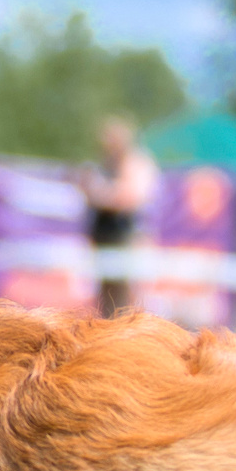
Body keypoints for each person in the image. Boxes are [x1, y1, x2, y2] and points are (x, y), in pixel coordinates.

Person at [79, 116, 159, 320]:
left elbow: (130, 197)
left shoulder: (137, 163)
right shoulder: (106, 164)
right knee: (107, 300)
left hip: (127, 238)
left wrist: (100, 193)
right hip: (105, 237)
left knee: (128, 300)